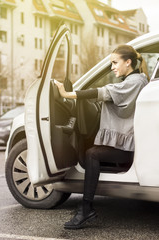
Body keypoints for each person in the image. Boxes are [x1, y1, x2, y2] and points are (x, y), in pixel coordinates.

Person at [54, 45, 149, 229]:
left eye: (115, 62)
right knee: (91, 151)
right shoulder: (138, 79)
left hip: (129, 151)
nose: (112, 67)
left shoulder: (134, 82)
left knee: (92, 154)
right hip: (131, 145)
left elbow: (104, 92)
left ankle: (86, 209)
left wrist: (67, 94)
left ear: (128, 62)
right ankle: (86, 208)